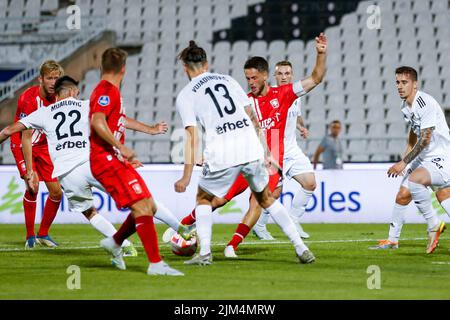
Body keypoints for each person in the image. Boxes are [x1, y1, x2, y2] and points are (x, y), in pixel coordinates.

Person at [169, 33, 327, 258]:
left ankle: (225, 245)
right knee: (225, 199)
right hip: (254, 148)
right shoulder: (234, 89)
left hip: (265, 149)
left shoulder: (282, 94)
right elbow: (245, 120)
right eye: (248, 78)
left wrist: (321, 54)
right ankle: (182, 227)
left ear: (265, 76)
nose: (251, 82)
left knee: (262, 199)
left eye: (254, 78)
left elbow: (317, 77)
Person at [1, 76, 141, 256]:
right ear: (72, 91)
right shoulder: (85, 105)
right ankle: (179, 229)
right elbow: (116, 122)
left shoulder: (45, 111)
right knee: (138, 200)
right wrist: (143, 135)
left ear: (57, 94)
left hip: (68, 173)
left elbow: (7, 131)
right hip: (91, 165)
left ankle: (123, 243)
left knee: (90, 212)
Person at [90, 48, 190, 276]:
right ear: (123, 69)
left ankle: (115, 242)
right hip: (105, 159)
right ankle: (155, 264)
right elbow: (97, 121)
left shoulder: (110, 91)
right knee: (142, 206)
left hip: (113, 159)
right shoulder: (106, 90)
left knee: (149, 206)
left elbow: (116, 119)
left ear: (101, 66)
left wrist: (149, 130)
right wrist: (120, 146)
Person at [372, 66, 448, 253]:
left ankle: (434, 224)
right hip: (423, 157)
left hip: (442, 157)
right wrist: (405, 156)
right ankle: (392, 240)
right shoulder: (406, 106)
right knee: (403, 195)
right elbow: (414, 132)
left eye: (404, 82)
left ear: (415, 84)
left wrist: (404, 163)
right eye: (397, 82)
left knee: (417, 182)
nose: (399, 86)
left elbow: (426, 138)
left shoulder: (424, 103)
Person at [252, 60, 318, 241]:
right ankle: (259, 225)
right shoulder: (270, 94)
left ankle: (294, 220)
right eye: (280, 73)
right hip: (273, 145)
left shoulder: (295, 94)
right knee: (273, 192)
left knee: (310, 183)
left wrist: (301, 127)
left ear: (292, 75)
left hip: (291, 147)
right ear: (274, 76)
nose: (283, 77)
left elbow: (295, 115)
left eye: (287, 73)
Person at [10, 60, 64, 249]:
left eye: (56, 78)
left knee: (57, 192)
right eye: (49, 78)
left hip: (43, 146)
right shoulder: (28, 99)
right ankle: (30, 236)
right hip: (23, 144)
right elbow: (25, 137)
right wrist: (30, 171)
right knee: (32, 187)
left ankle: (43, 234)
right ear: (40, 79)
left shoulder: (60, 98)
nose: (53, 82)